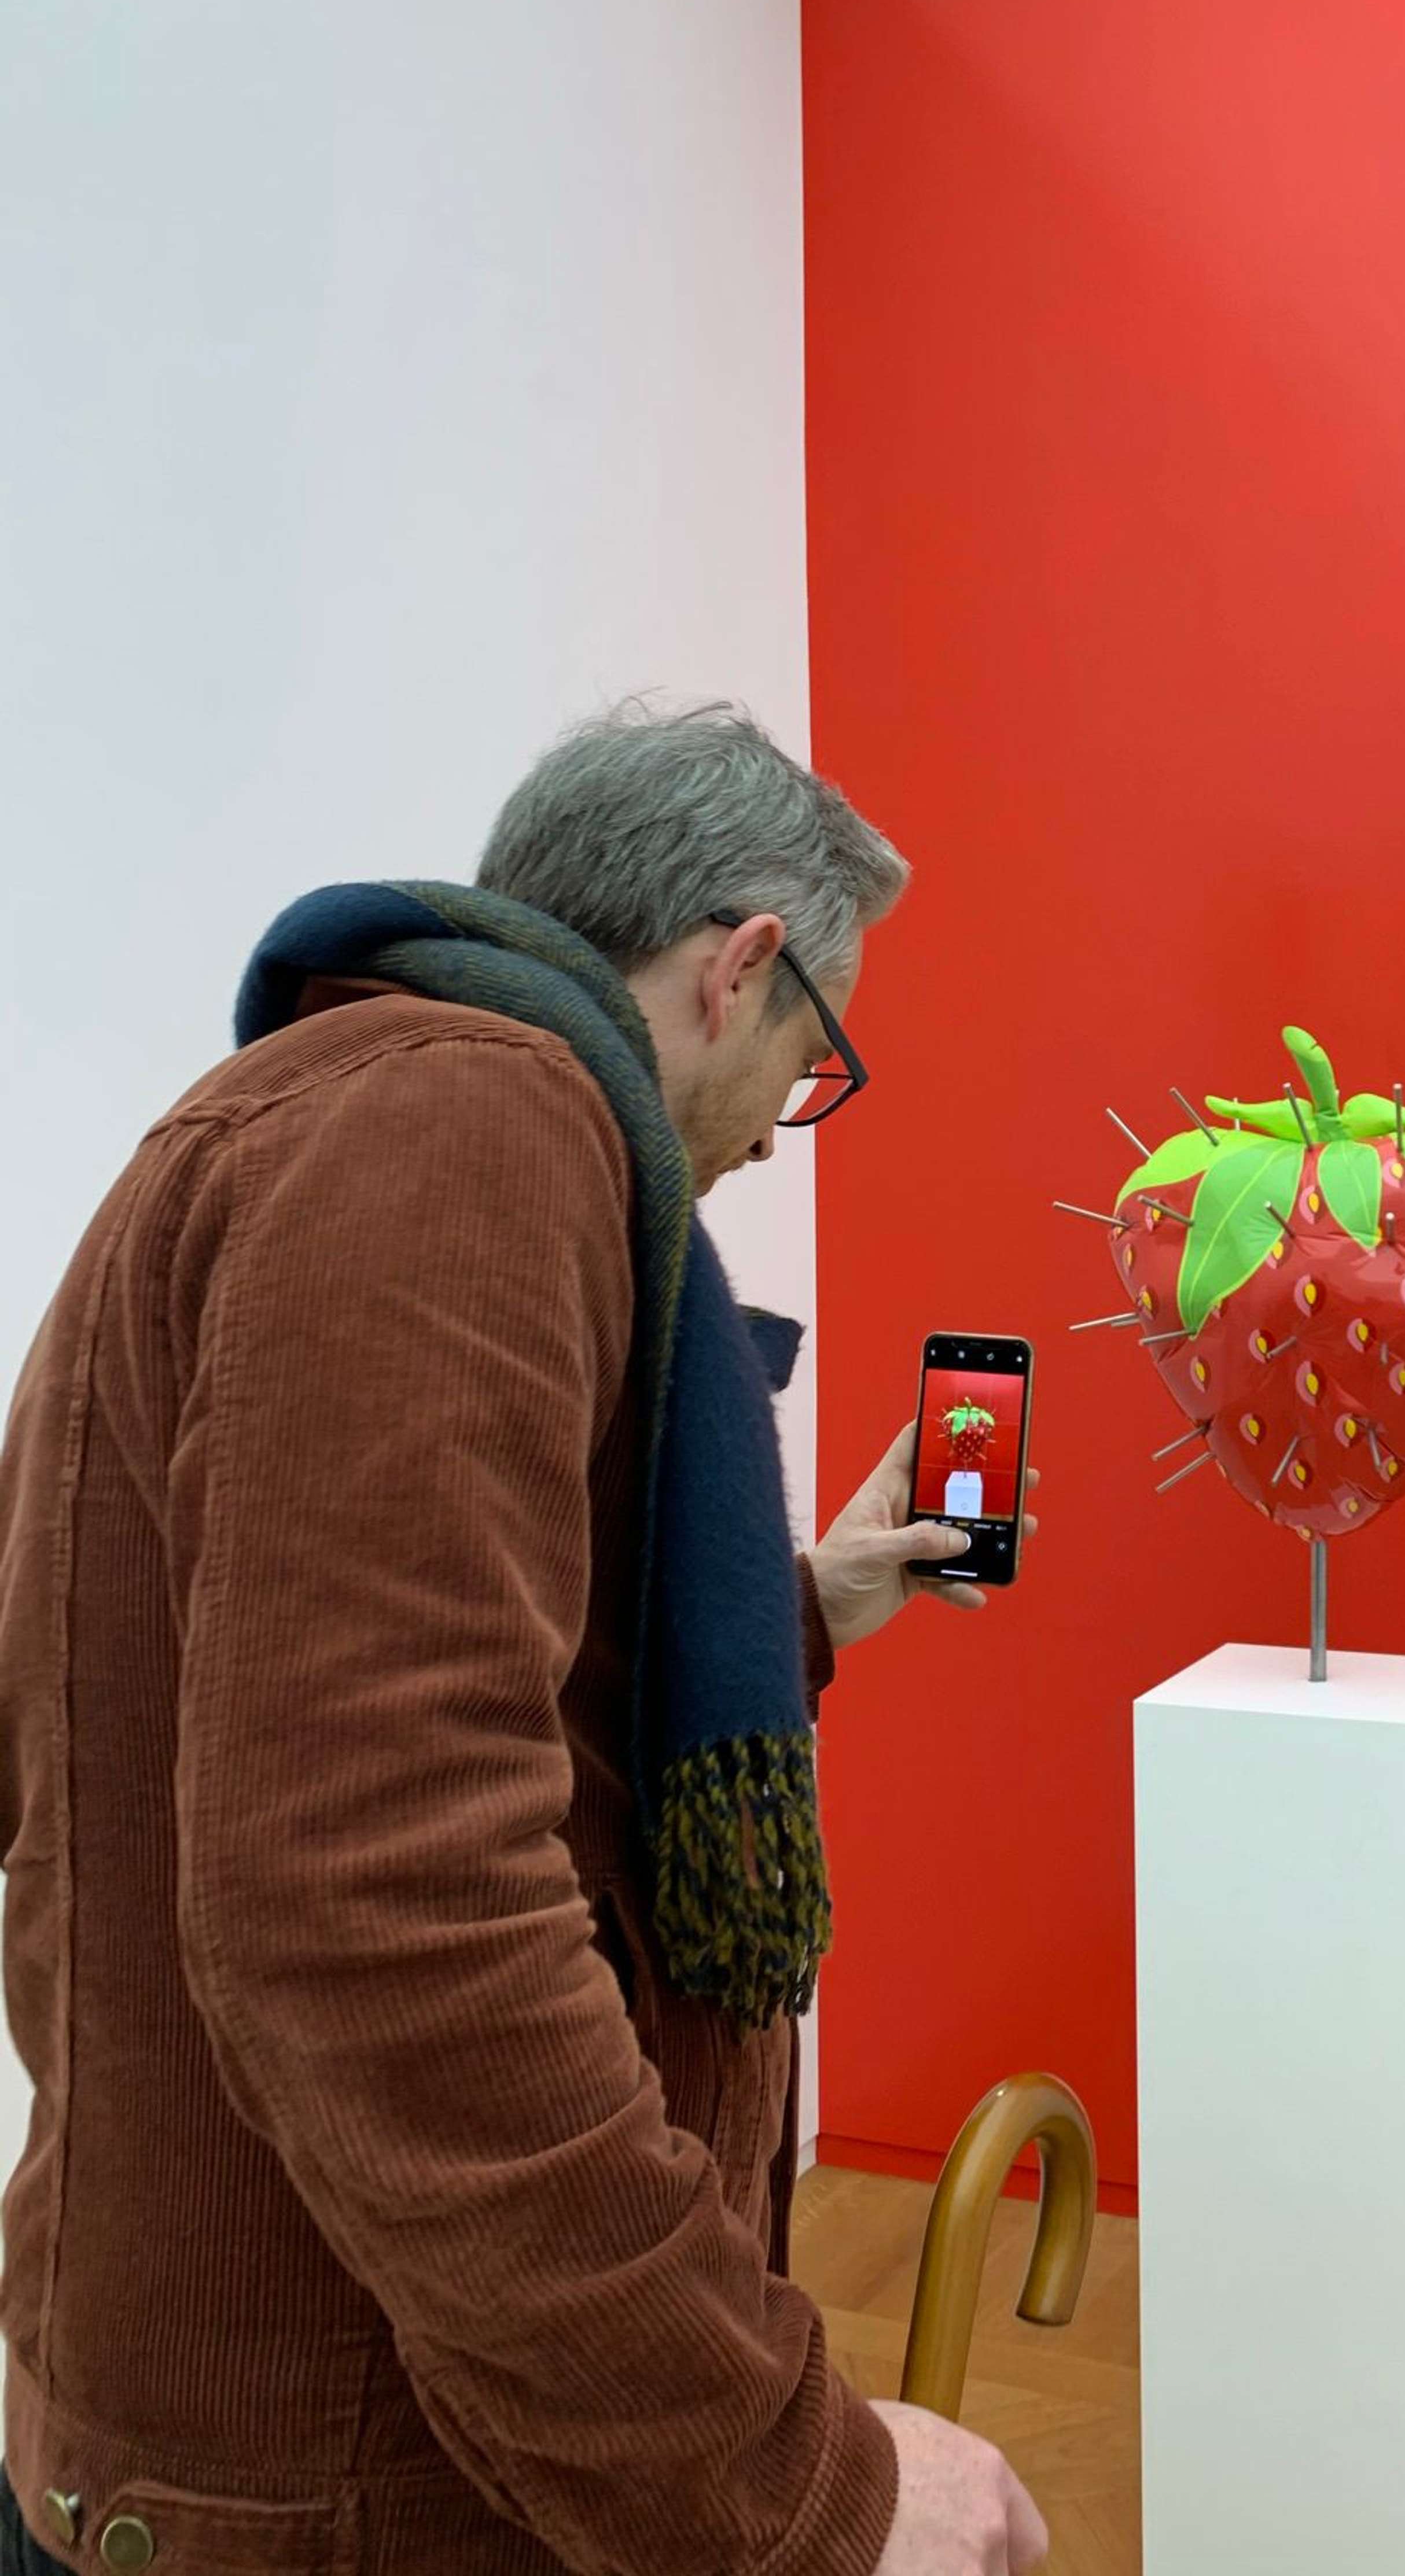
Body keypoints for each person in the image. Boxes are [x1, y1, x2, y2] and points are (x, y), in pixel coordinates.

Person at [0, 699, 1051, 2576]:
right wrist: (801, 2492)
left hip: (287, 2422)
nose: (781, 1140)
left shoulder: (352, 1112)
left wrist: (808, 1609)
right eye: (823, 1059)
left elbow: (375, 1712)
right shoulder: (464, 1130)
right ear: (744, 968)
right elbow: (384, 1908)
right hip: (356, 2478)